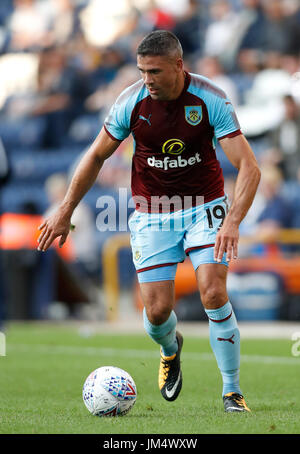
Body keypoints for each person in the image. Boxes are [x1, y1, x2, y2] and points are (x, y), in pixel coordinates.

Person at [37, 30, 261, 413]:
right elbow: (94, 157)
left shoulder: (210, 99)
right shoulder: (130, 102)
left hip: (205, 206)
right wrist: (65, 208)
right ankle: (170, 349)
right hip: (152, 212)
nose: (147, 80)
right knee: (157, 313)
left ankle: (232, 391)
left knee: (213, 292)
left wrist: (233, 221)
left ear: (178, 65)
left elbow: (250, 168)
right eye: (142, 71)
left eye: (154, 71)